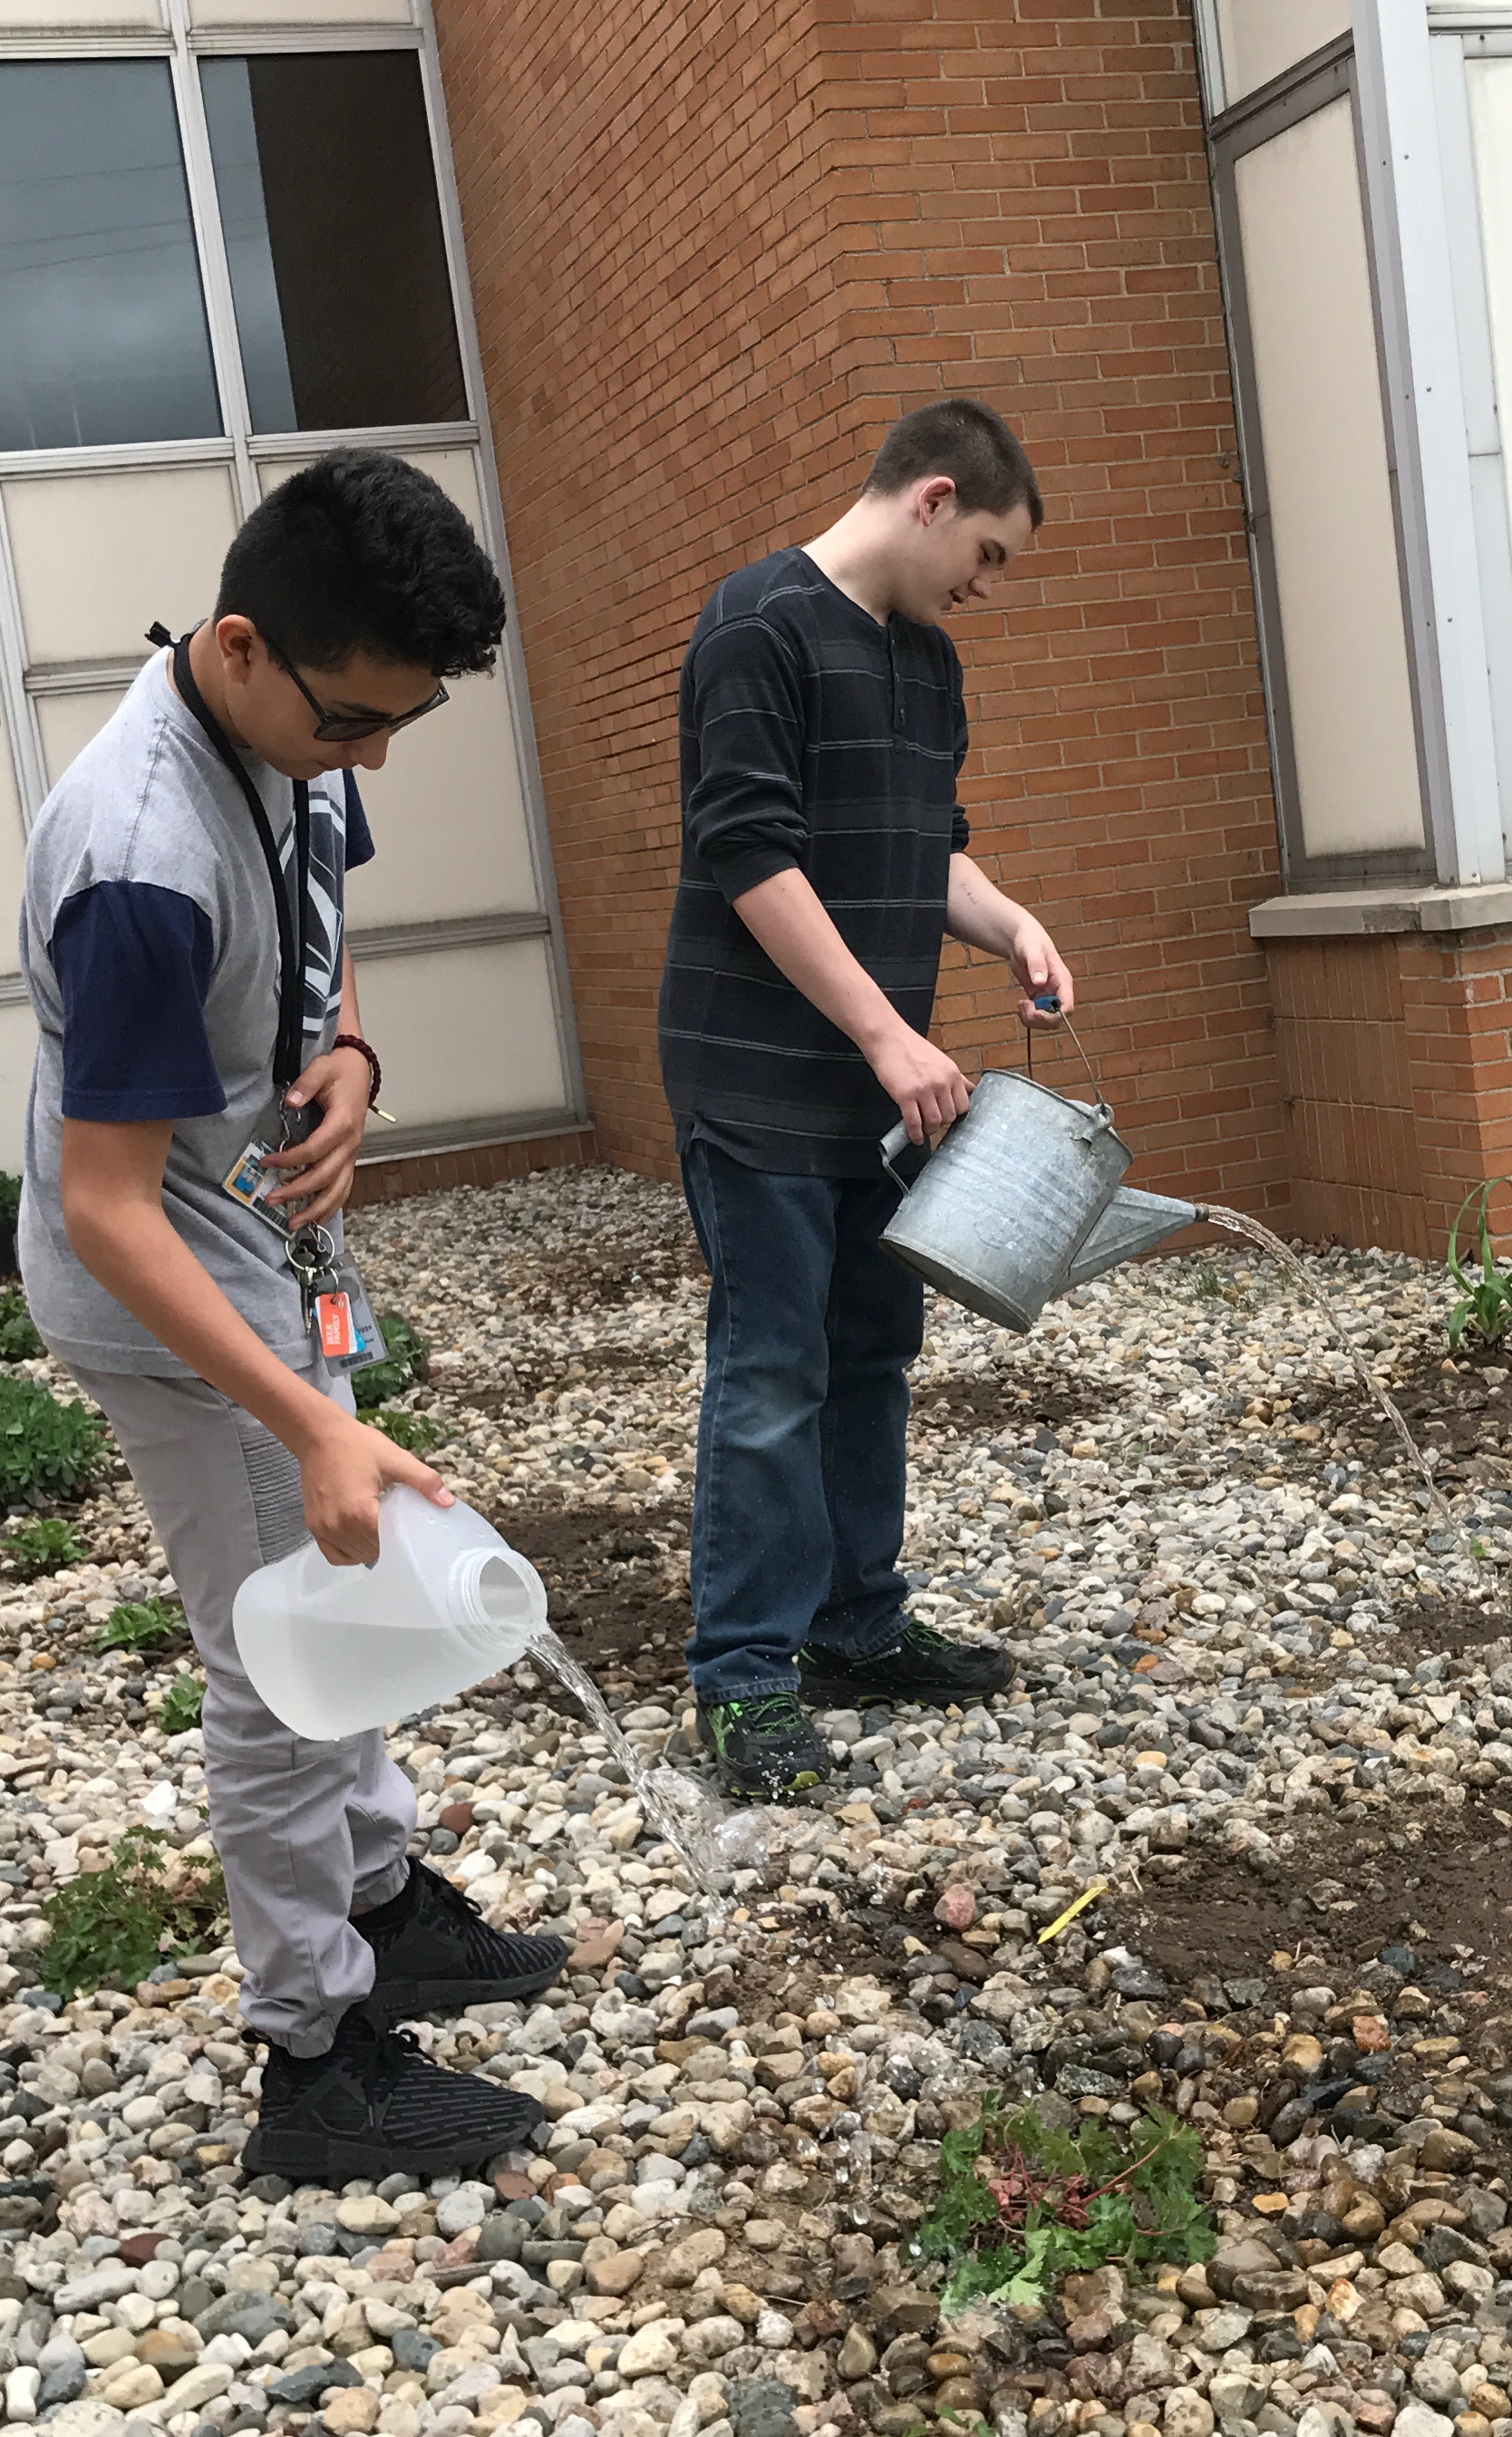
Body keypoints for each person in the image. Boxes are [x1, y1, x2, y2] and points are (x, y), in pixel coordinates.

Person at [18, 449, 566, 2185]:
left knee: (341, 1603)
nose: (376, 760)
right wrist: (309, 1417)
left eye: (403, 725)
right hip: (169, 1297)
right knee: (278, 1665)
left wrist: (347, 1055)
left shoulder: (303, 738)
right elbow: (106, 1204)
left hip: (259, 1250)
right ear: (244, 650)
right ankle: (316, 2059)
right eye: (355, 724)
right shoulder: (136, 861)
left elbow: (326, 939)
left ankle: (384, 1900)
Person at [657, 397, 1073, 1799]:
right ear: (934, 498)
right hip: (760, 1084)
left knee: (871, 1359)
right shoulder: (754, 629)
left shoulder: (928, 669)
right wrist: (893, 1035)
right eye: (993, 556)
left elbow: (925, 851)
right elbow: (752, 860)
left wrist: (1011, 924)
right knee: (772, 1373)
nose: (986, 587)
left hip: (883, 1106)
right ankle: (743, 1683)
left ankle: (855, 1629)